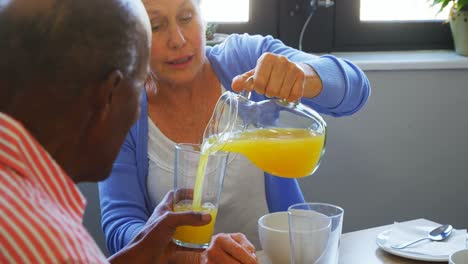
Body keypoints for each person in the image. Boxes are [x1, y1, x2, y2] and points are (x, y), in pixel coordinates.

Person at [99, 0, 371, 252]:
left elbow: (356, 89)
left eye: (186, 17)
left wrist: (305, 75)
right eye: (156, 26)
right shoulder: (121, 109)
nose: (178, 40)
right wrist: (186, 252)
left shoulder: (243, 60)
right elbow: (119, 227)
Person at [0, 0, 257, 263]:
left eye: (186, 17)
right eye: (138, 87)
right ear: (108, 97)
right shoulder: (49, 242)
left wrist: (144, 250)